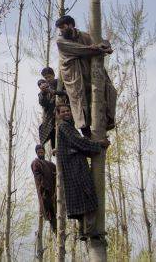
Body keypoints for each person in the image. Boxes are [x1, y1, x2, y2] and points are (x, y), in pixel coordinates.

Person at [55, 15, 116, 137]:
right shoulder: (60, 41)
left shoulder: (84, 36)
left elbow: (101, 43)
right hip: (75, 78)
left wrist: (105, 46)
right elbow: (81, 49)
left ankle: (106, 124)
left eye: (63, 27)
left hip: (90, 75)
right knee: (81, 107)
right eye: (59, 28)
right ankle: (88, 136)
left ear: (71, 25)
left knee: (108, 92)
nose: (61, 30)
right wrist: (99, 49)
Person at [56, 103, 109, 240]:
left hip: (75, 166)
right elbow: (78, 141)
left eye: (68, 111)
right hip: (75, 167)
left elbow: (79, 143)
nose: (67, 113)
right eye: (63, 111)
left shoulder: (69, 127)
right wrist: (98, 144)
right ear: (58, 114)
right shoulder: (63, 127)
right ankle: (88, 231)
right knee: (88, 195)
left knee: (81, 198)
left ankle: (84, 231)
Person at [31, 144, 57, 233]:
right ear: (37, 153)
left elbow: (57, 173)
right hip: (45, 193)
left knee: (55, 212)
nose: (41, 153)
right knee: (50, 214)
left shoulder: (50, 164)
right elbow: (39, 178)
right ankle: (55, 231)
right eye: (39, 152)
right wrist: (46, 189)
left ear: (44, 152)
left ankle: (57, 231)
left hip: (54, 193)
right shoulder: (36, 163)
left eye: (42, 151)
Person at [38, 67, 65, 148]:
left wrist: (56, 92)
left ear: (53, 75)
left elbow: (68, 93)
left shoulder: (59, 83)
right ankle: (54, 149)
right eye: (46, 78)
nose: (48, 79)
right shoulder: (44, 89)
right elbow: (42, 103)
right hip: (50, 117)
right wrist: (43, 93)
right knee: (51, 133)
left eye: (49, 76)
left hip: (63, 114)